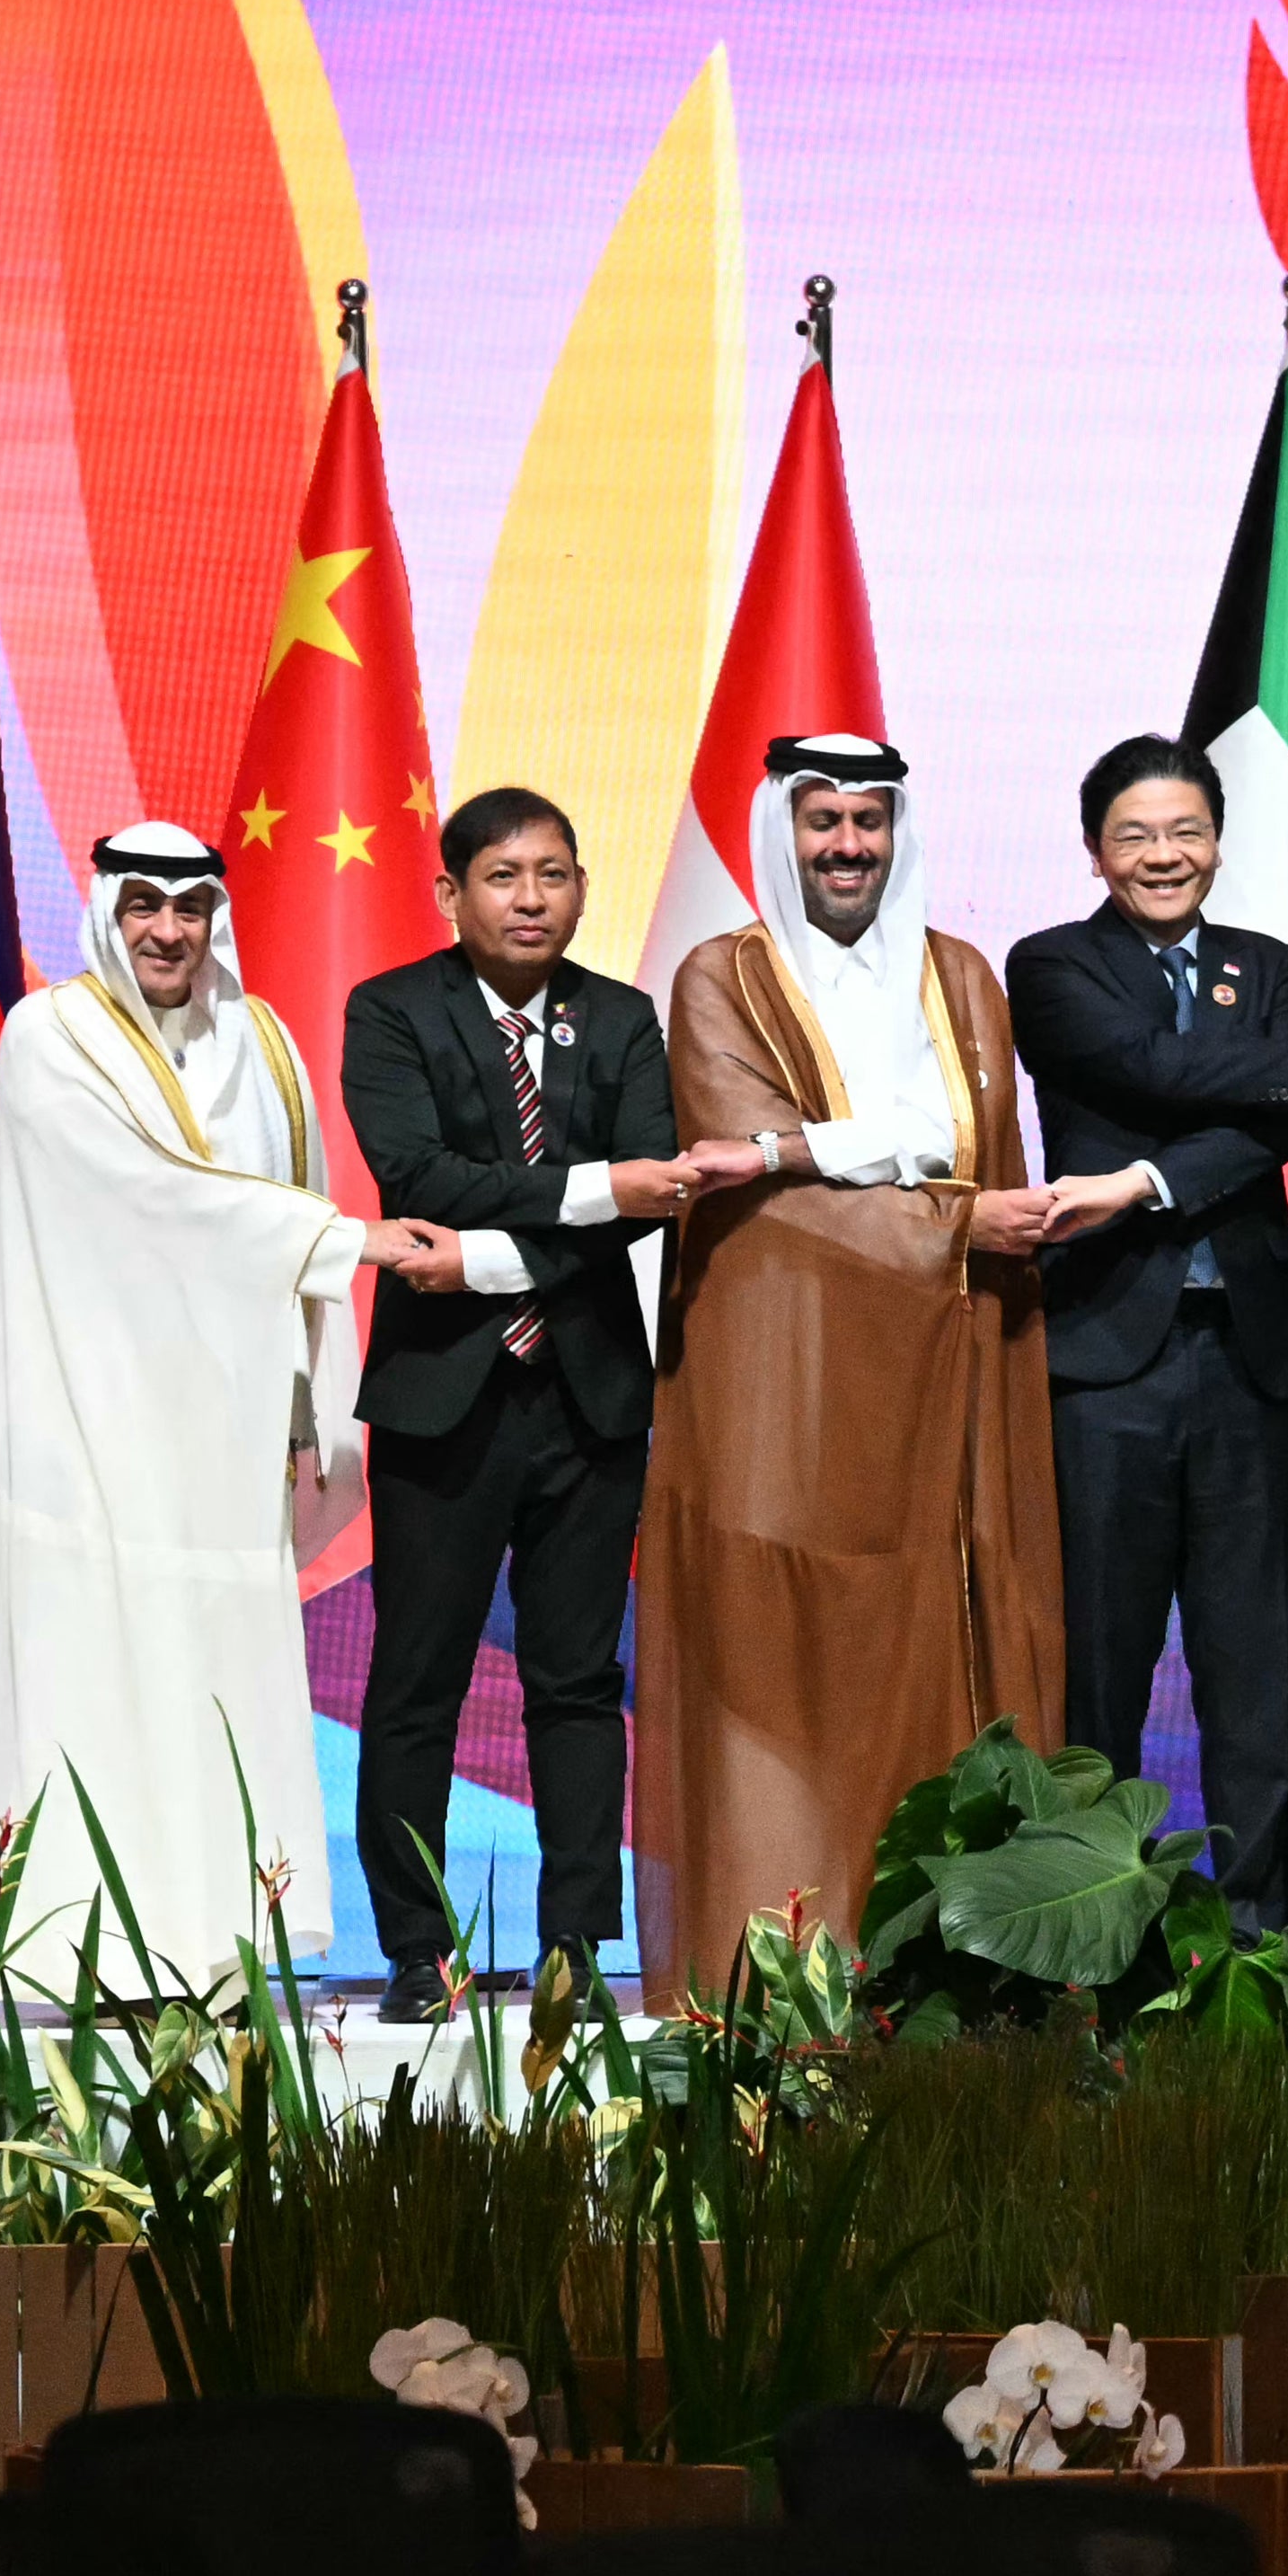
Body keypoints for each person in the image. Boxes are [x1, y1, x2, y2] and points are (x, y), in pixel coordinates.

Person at [0, 828, 454, 1986]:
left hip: (223, 1438)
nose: (168, 930)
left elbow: (266, 1209)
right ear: (106, 912)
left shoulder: (262, 1042)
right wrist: (349, 1241)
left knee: (217, 1680)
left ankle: (223, 1952)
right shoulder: (53, 1037)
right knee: (100, 1672)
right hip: (86, 1423)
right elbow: (154, 1197)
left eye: (189, 907)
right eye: (143, 905)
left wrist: (302, 1411)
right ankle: (90, 1966)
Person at [640, 734, 1075, 1984]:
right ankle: (776, 1972)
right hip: (782, 1383)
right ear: (785, 832)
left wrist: (865, 1162)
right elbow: (750, 1170)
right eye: (822, 821)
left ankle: (945, 1972)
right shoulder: (719, 978)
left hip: (947, 1376)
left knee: (951, 1634)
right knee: (780, 1657)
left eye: (866, 823)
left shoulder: (964, 978)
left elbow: (969, 1147)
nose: (846, 845)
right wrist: (941, 1207)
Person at [341, 792, 768, 2017]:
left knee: (578, 1684)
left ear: (582, 887)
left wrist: (481, 1253)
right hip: (441, 1403)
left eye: (553, 874)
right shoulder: (394, 1010)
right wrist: (587, 1191)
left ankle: (579, 1945)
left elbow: (650, 1194)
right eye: (501, 875)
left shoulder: (624, 1017)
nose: (529, 897)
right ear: (451, 892)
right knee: (418, 1682)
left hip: (587, 1399)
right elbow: (419, 1175)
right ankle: (417, 1953)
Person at [1003, 737, 1288, 1909]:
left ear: (1219, 840)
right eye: (1135, 835)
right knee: (1100, 1660)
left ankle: (1259, 1920)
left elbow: (1287, 1121)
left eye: (1185, 830)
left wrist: (1145, 1181)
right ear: (1095, 849)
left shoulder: (1266, 962)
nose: (1163, 855)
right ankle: (1093, 1916)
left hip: (1254, 1353)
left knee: (1255, 1661)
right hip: (1103, 1354)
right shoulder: (1050, 964)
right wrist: (1276, 1073)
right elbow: (1145, 1071)